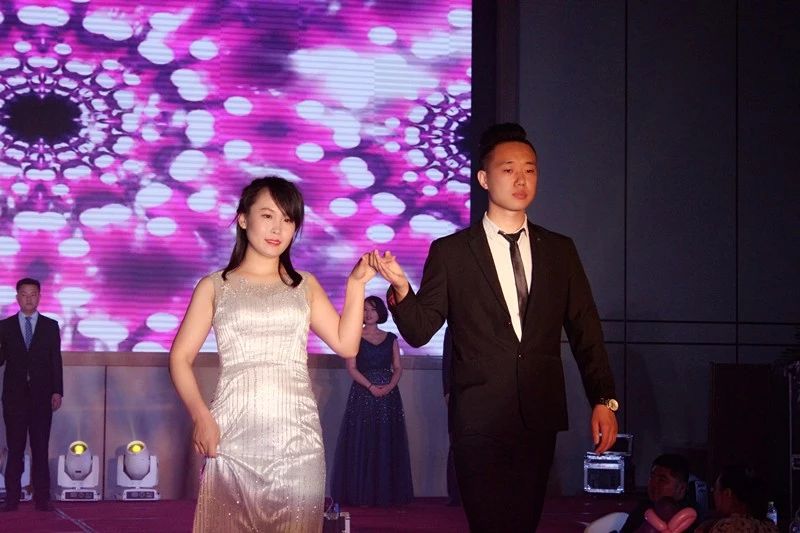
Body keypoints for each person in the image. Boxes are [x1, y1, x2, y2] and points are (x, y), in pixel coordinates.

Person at [370, 122, 619, 531]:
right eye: (508, 169)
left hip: (538, 412)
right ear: (484, 178)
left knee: (523, 523)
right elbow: (419, 329)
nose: (521, 179)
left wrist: (604, 399)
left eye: (530, 170)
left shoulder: (559, 250)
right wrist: (401, 288)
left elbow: (585, 331)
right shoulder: (452, 252)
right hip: (478, 416)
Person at [169, 176, 375, 532]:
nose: (278, 228)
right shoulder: (214, 286)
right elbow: (180, 358)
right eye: (267, 215)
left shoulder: (304, 285)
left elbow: (346, 344)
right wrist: (201, 416)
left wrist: (356, 284)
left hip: (298, 438)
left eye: (288, 219)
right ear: (243, 219)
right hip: (233, 433)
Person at [330, 295, 414, 507]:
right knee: (363, 441)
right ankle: (362, 495)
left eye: (373, 309)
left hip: (388, 397)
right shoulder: (353, 336)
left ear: (380, 313)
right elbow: (351, 368)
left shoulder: (391, 338)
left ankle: (387, 495)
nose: (368, 314)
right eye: (365, 309)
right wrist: (370, 387)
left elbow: (398, 367)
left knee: (386, 441)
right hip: (363, 395)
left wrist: (389, 387)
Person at [0, 278, 63, 512]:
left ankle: (42, 498)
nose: (28, 298)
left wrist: (57, 391)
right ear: (17, 297)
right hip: (14, 397)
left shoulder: (50, 326)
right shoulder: (5, 326)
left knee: (40, 447)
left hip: (42, 396)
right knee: (15, 448)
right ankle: (12, 498)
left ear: (39, 297)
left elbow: (55, 360)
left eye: (33, 294)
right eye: (24, 294)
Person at [620, 454, 696, 532]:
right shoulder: (643, 508)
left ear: (681, 489)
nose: (653, 484)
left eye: (662, 480)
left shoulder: (689, 518)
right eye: (652, 477)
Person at [695, 465, 778, 533]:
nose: (714, 494)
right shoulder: (770, 527)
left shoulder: (727, 527)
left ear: (727, 493)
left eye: (715, 489)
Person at [442, 326, 461, 506]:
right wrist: (447, 390)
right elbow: (447, 360)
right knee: (456, 443)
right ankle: (456, 495)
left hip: (487, 393)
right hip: (458, 392)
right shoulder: (453, 328)